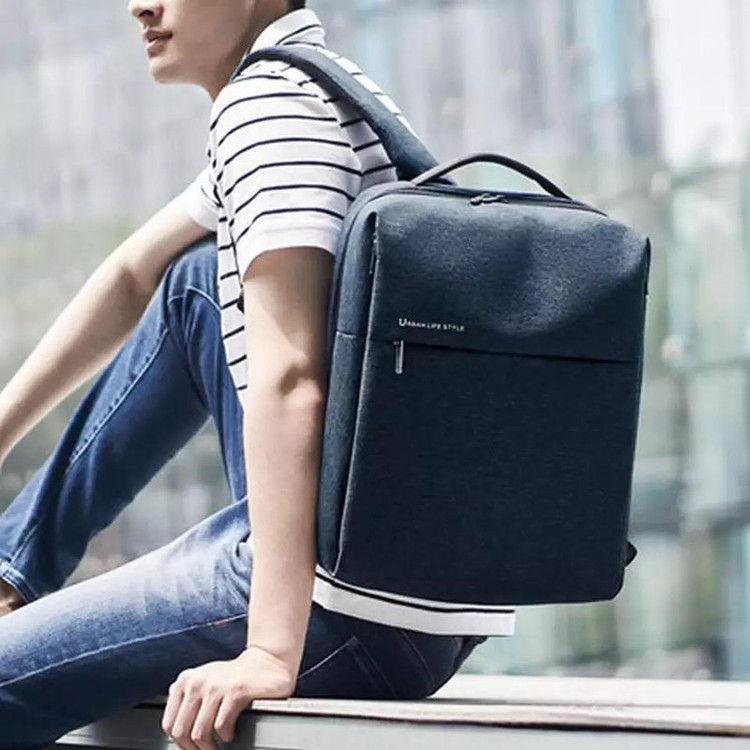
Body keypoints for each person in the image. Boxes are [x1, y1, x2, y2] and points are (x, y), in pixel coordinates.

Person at [0, 1, 488, 747]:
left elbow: (290, 380)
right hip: (407, 603)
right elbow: (133, 276)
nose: (139, 5)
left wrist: (268, 652)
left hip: (345, 611)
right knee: (195, 284)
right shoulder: (320, 86)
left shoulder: (267, 111)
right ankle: (11, 574)